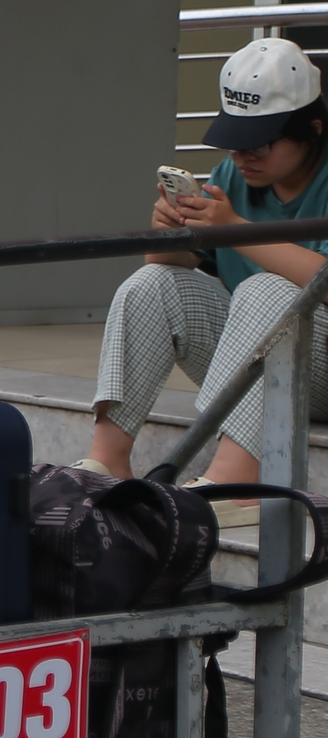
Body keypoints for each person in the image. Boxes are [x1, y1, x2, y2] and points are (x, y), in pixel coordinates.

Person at [82, 38, 328, 522]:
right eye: (234, 139)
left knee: (265, 288)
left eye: (259, 141)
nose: (242, 155)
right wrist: (171, 230)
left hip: (321, 368)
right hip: (265, 373)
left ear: (312, 130)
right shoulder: (231, 177)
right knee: (149, 284)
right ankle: (107, 460)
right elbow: (167, 265)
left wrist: (233, 228)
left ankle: (238, 483)